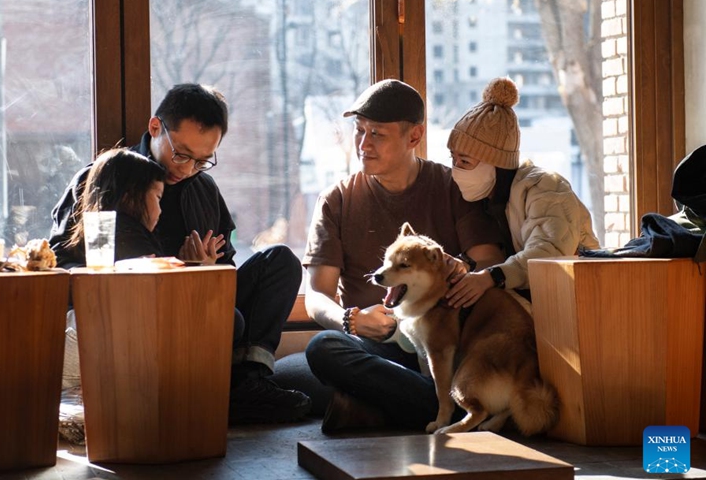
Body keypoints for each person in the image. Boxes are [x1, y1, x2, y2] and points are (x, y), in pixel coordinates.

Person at [49, 83, 311, 424]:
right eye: (182, 154)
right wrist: (187, 275)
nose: (187, 169)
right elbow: (62, 262)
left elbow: (226, 267)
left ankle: (246, 384)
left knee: (280, 263)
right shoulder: (110, 176)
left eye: (202, 161)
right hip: (130, 316)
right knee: (230, 320)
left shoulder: (203, 188)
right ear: (156, 128)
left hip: (201, 313)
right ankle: (206, 392)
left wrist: (209, 271)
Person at [302, 79, 504, 432]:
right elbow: (317, 295)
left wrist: (464, 270)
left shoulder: (450, 187)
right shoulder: (337, 200)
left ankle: (386, 407)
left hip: (448, 343)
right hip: (378, 346)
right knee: (323, 348)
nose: (364, 144)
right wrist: (351, 320)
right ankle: (454, 409)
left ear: (414, 136)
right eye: (359, 130)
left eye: (377, 134)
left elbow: (489, 262)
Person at [444, 77, 600, 309]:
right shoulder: (487, 198)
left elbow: (547, 254)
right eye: (453, 159)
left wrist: (490, 277)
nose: (456, 170)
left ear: (496, 163)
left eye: (465, 161)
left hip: (578, 307)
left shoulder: (546, 188)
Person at [66, 148, 166, 261]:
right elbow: (157, 278)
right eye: (158, 197)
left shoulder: (94, 232)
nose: (160, 210)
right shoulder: (130, 236)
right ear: (129, 195)